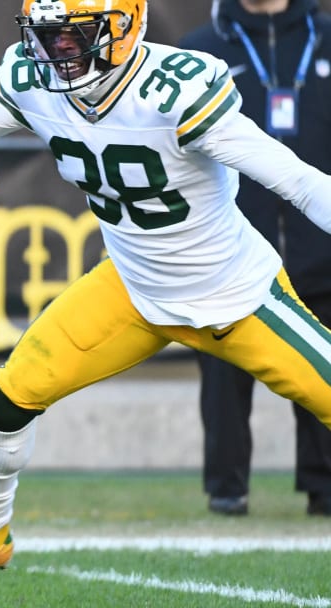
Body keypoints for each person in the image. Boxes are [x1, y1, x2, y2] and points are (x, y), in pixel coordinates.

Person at [0, 0, 331, 588]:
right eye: (46, 36)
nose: (58, 52)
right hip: (131, 289)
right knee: (4, 400)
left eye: (73, 36)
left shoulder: (175, 91)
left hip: (235, 295)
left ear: (125, 25)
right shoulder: (38, 83)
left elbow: (300, 183)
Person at [179, 0, 331, 518]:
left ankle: (325, 486)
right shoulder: (200, 52)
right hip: (230, 254)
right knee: (223, 377)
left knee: (320, 370)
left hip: (322, 249)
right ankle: (226, 487)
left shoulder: (327, 37)